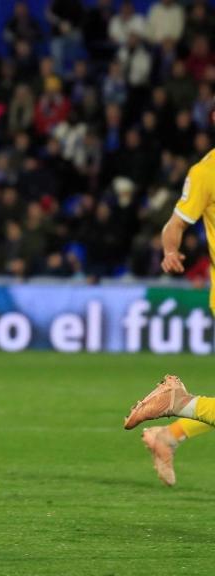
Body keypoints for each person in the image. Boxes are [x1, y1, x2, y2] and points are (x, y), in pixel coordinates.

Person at [131, 98, 215, 486]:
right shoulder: (205, 173)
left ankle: (172, 426)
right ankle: (178, 409)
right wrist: (169, 250)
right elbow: (175, 225)